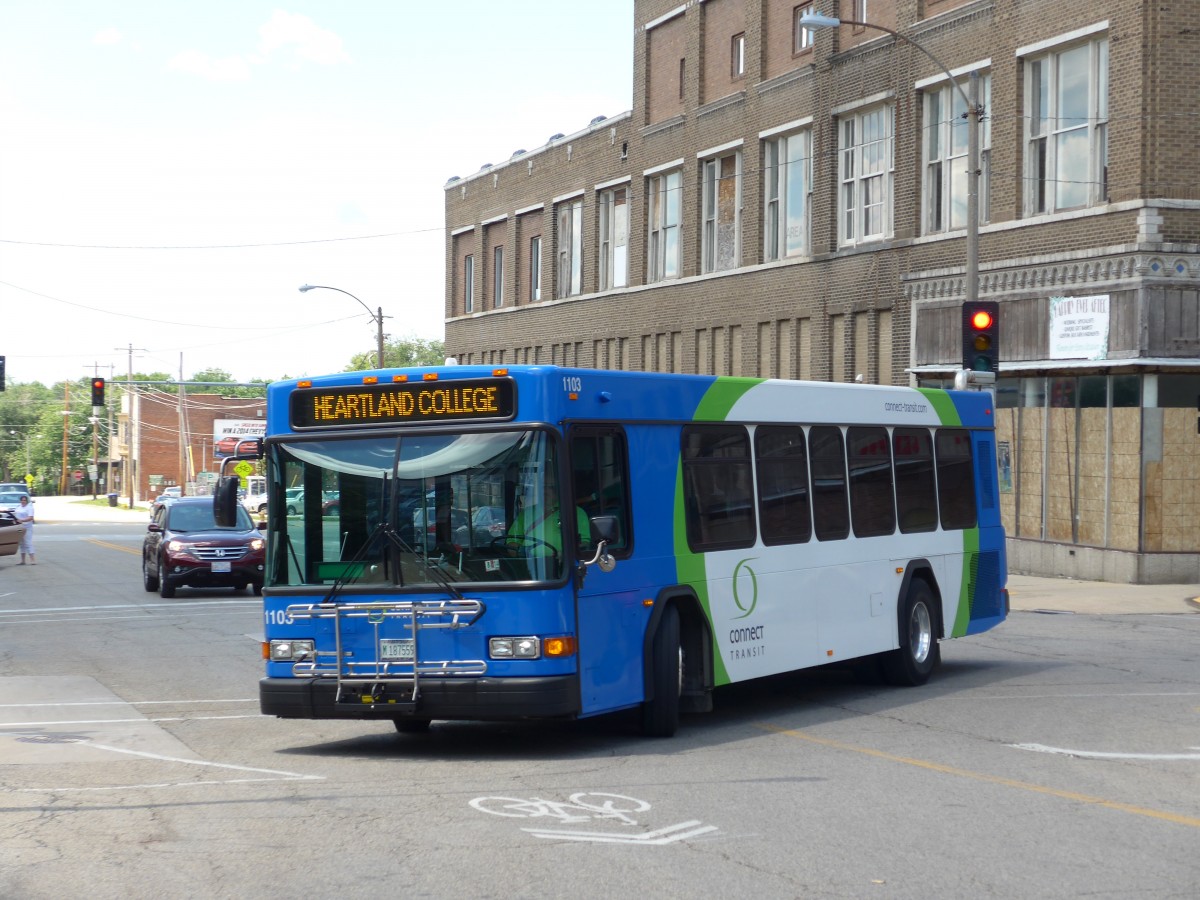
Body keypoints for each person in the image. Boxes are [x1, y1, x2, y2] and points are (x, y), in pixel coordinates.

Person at [13, 495, 35, 565]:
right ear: (20, 501)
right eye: (22, 500)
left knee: (28, 543)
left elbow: (30, 518)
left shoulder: (29, 508)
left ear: (27, 501)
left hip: (27, 527)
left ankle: (32, 559)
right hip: (19, 527)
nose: (23, 501)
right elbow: (15, 516)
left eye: (24, 500)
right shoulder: (18, 507)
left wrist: (22, 520)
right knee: (21, 543)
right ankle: (23, 560)